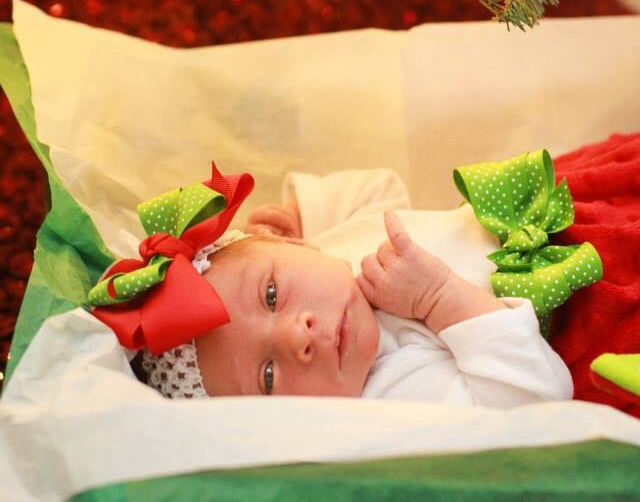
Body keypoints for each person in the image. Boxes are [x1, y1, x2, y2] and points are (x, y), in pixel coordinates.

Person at [93, 163, 575, 405]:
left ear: (292, 247)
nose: (298, 335)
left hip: (561, 198)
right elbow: (533, 398)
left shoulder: (331, 251)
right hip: (586, 301)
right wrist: (439, 298)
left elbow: (381, 189)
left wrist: (304, 217)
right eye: (268, 376)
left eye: (271, 295)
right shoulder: (390, 397)